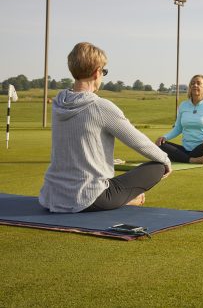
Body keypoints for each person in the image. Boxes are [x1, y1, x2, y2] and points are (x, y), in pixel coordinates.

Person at [39, 42, 172, 213]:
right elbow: (139, 142)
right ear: (97, 72)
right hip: (89, 198)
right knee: (158, 167)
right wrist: (166, 160)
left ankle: (122, 198)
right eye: (104, 72)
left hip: (51, 196)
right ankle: (126, 200)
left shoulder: (58, 103)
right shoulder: (100, 106)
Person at [156, 74, 203, 164]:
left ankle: (183, 158)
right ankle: (192, 160)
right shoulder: (183, 105)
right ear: (190, 87)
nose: (195, 85)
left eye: (198, 83)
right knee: (160, 144)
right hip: (186, 150)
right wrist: (165, 137)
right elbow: (178, 128)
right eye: (193, 83)